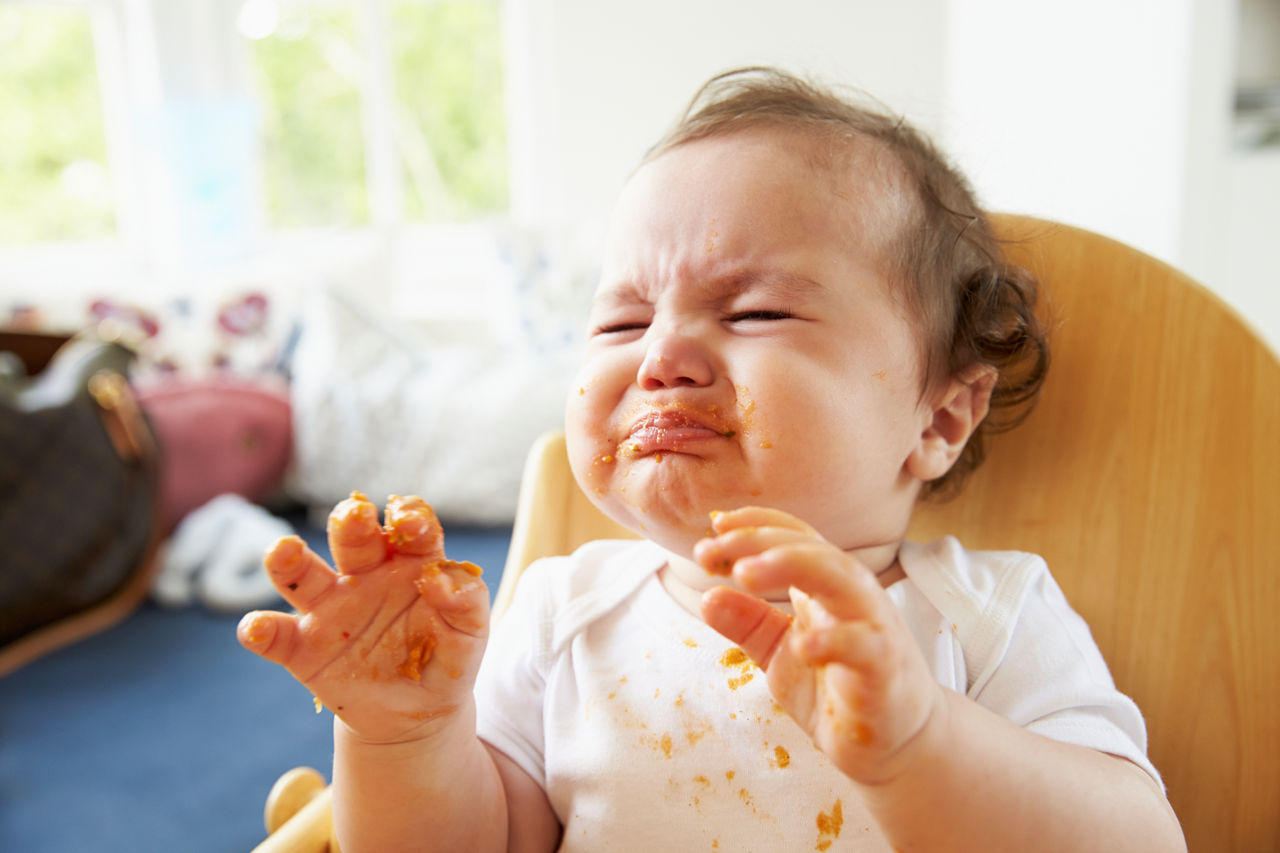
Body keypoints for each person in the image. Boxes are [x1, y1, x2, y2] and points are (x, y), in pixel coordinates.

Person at [238, 67, 1186, 851]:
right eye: (622, 319)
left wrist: (922, 742)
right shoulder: (566, 617)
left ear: (939, 416)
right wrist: (404, 736)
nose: (659, 358)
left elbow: (1142, 839)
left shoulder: (986, 620)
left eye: (755, 311)